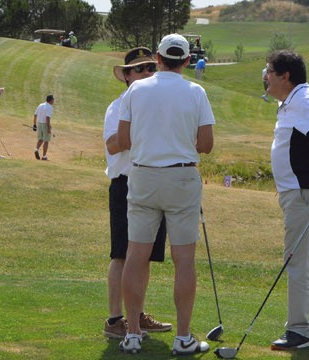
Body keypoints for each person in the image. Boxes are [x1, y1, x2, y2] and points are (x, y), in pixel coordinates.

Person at [117, 34, 215, 356]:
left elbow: (123, 137)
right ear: (186, 61)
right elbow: (206, 144)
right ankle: (183, 337)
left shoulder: (136, 89)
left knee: (135, 255)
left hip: (143, 174)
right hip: (181, 177)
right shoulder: (196, 92)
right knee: (183, 259)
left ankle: (132, 333)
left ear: (158, 58)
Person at [262, 50, 309, 351]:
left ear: (285, 76)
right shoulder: (290, 102)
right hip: (299, 190)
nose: (266, 76)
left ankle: (297, 329)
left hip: (304, 190)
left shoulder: (304, 98)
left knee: (296, 259)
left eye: (270, 71)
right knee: (308, 260)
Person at [102, 47, 174, 340]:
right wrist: (142, 132)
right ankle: (115, 319)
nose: (147, 73)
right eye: (140, 69)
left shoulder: (156, 107)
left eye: (150, 68)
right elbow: (111, 144)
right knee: (122, 254)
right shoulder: (117, 106)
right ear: (127, 76)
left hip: (153, 182)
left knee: (144, 257)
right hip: (126, 184)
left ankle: (138, 315)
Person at [32, 94, 54, 160]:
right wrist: (48, 127)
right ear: (51, 100)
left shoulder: (40, 105)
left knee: (40, 139)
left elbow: (35, 115)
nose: (53, 101)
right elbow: (47, 118)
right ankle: (44, 156)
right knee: (46, 141)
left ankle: (36, 149)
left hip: (39, 123)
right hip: (45, 124)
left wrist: (34, 124)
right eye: (53, 100)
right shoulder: (49, 107)